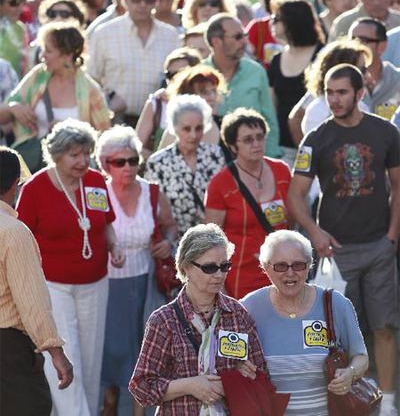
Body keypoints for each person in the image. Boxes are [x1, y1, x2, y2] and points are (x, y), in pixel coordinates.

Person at [288, 64, 400, 416]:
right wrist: (315, 232)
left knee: (384, 326)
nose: (334, 99)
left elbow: (399, 185)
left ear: (360, 93)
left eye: (342, 92)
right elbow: (295, 194)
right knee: (334, 333)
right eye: (329, 92)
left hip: (379, 245)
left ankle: (389, 401)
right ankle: (339, 400)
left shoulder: (385, 132)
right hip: (335, 251)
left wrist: (393, 236)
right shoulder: (317, 138)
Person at [16, 119, 125, 416]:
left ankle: (84, 410)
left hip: (95, 282)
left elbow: (107, 223)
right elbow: (20, 237)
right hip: (54, 286)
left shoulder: (95, 180)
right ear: (57, 155)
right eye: (74, 155)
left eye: (86, 153)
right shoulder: (36, 188)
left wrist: (115, 245)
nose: (82, 161)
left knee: (90, 360)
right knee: (65, 356)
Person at [130, 223, 267, 413]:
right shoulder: (164, 320)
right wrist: (190, 385)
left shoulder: (237, 314)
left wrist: (242, 377)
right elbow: (142, 387)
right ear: (186, 268)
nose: (219, 275)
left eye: (225, 266)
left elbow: (262, 375)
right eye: (210, 268)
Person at [242, 229, 369, 416]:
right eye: (281, 266)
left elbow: (361, 357)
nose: (290, 273)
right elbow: (229, 362)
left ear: (309, 265)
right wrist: (240, 366)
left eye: (298, 265)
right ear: (266, 267)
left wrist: (350, 373)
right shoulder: (249, 307)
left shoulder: (336, 304)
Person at [96, 125, 177, 416]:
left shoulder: (151, 192)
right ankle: (110, 409)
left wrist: (168, 243)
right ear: (105, 164)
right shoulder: (97, 193)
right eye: (120, 162)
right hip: (105, 286)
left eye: (132, 160)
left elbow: (170, 226)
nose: (128, 168)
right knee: (110, 355)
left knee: (143, 352)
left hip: (146, 285)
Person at [0, 146, 73, 416]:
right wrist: (57, 354)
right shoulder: (13, 232)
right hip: (8, 351)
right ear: (13, 184)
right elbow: (32, 302)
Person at [205, 108, 292, 299]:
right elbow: (211, 241)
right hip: (241, 276)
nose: (256, 144)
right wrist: (219, 289)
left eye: (260, 137)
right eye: (248, 139)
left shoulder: (282, 171)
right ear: (233, 146)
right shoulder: (220, 183)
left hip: (283, 271)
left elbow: (294, 222)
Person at [3, 22, 111, 172]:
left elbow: (106, 139)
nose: (42, 56)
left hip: (74, 171)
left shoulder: (90, 90)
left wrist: (69, 132)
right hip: (32, 166)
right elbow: (2, 116)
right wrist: (13, 108)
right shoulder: (37, 77)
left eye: (48, 51)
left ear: (67, 55)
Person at [88, 0, 180, 126]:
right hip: (115, 121)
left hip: (157, 124)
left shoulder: (171, 35)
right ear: (125, 0)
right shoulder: (104, 33)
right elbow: (92, 79)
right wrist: (109, 99)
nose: (142, 4)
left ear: (156, 1)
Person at [145, 94, 225, 237]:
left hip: (211, 241)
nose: (193, 135)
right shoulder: (158, 162)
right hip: (175, 245)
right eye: (187, 129)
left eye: (199, 128)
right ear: (174, 128)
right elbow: (152, 208)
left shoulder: (215, 155)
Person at [204, 13, 282, 158]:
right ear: (216, 42)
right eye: (238, 37)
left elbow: (269, 120)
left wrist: (268, 160)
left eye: (245, 35)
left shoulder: (256, 71)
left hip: (252, 160)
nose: (245, 42)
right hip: (211, 162)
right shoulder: (199, 76)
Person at [268, 0, 324, 166]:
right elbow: (272, 106)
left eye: (276, 19)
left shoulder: (322, 56)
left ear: (292, 22)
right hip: (283, 149)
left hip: (316, 144)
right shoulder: (276, 60)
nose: (272, 23)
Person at [158, 64, 226, 150]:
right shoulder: (177, 127)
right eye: (204, 92)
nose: (212, 97)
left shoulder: (215, 124)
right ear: (189, 96)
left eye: (214, 91)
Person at [349, 18, 400, 121]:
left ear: (382, 46)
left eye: (363, 40)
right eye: (352, 40)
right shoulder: (337, 78)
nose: (355, 46)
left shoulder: (397, 80)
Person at [0, 0, 27, 77]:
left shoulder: (20, 29)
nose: (20, 8)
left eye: (22, 1)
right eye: (14, 3)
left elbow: (24, 67)